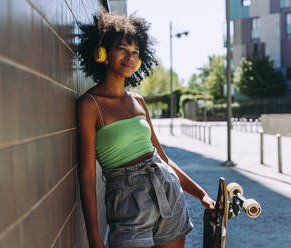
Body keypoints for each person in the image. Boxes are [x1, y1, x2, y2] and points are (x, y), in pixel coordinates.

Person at [77, 9, 215, 248]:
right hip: (127, 199)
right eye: (122, 49)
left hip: (168, 190)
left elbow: (162, 158)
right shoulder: (90, 105)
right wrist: (93, 236)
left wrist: (201, 194)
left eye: (135, 52)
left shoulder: (138, 101)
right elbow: (87, 176)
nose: (130, 57)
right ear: (102, 52)